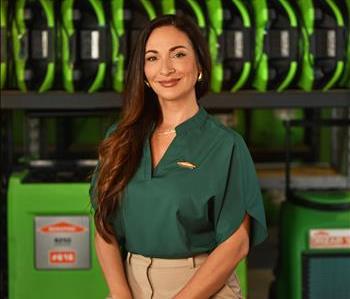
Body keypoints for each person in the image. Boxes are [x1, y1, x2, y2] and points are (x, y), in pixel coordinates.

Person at [90, 14, 267, 299]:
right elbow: (104, 226)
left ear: (199, 66)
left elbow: (237, 242)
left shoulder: (225, 145)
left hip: (202, 287)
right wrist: (120, 293)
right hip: (128, 285)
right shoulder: (120, 139)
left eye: (179, 54)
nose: (166, 69)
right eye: (152, 58)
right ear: (144, 74)